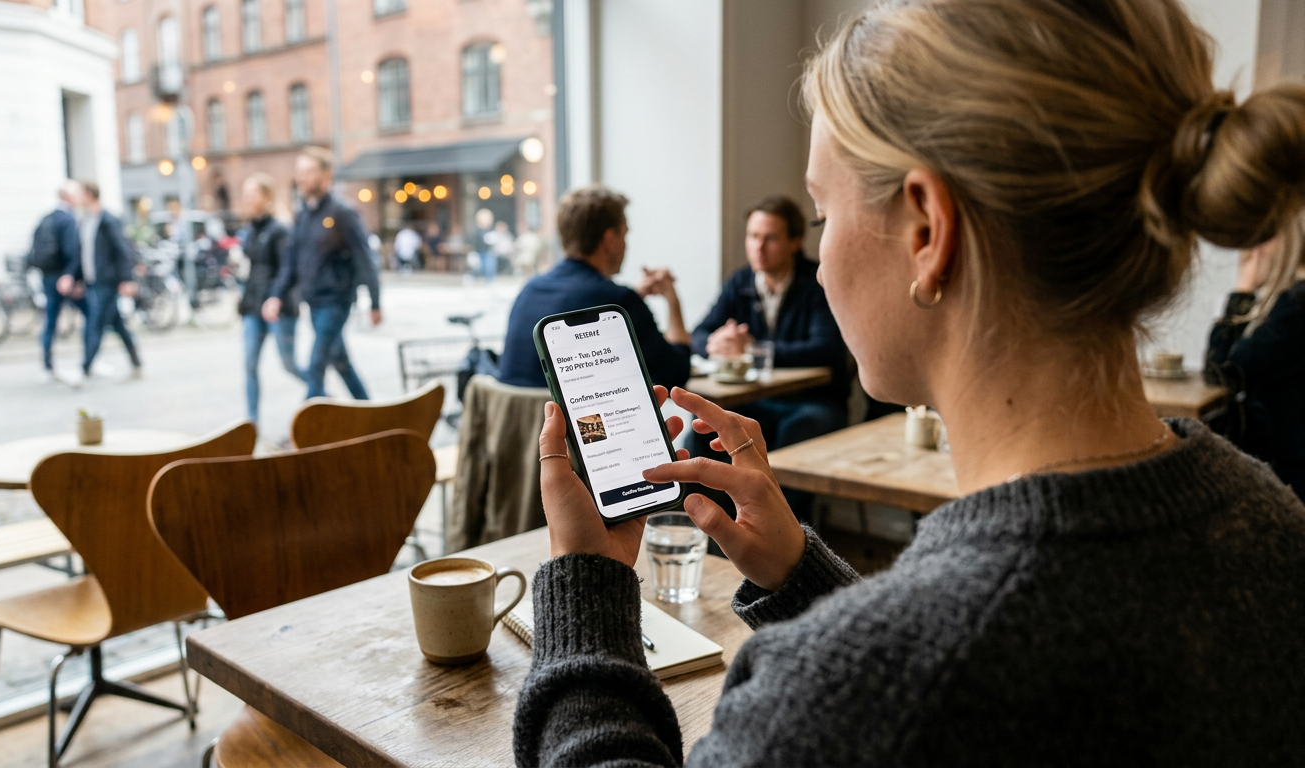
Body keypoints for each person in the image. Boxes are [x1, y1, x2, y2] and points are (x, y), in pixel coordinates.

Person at [514, 0, 1305, 765]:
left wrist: (588, 591)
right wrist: (800, 575)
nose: (821, 259)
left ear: (928, 228)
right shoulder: (1273, 523)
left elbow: (908, 687)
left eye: (823, 216)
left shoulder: (847, 692)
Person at [691, 195, 850, 446]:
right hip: (753, 398)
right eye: (753, 236)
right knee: (703, 428)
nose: (759, 247)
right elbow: (698, 334)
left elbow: (826, 349)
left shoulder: (818, 282)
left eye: (771, 238)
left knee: (802, 427)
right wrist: (718, 344)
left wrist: (752, 350)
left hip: (811, 399)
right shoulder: (740, 281)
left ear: (795, 242)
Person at [496, 185, 691, 389]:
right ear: (610, 240)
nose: (626, 245)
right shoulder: (618, 301)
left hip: (518, 410)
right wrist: (672, 298)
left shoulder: (530, 290)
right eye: (624, 234)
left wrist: (631, 301)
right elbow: (676, 374)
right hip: (581, 411)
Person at [263, 147, 382, 400]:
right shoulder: (303, 215)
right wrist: (276, 295)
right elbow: (291, 261)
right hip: (313, 301)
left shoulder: (342, 212)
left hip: (336, 301)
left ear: (326, 175)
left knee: (316, 364)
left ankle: (308, 418)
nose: (302, 178)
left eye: (308, 172)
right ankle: (370, 410)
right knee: (340, 361)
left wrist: (375, 302)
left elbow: (365, 258)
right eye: (300, 172)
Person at [1205, 230, 1305, 500]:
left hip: (1288, 476)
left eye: (1267, 235)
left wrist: (1242, 291)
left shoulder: (1296, 306)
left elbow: (1223, 371)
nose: (1254, 248)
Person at [238, 173, 305, 423]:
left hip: (279, 307)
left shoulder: (279, 230)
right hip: (253, 306)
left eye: (252, 195)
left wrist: (276, 297)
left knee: (289, 365)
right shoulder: (250, 230)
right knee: (249, 365)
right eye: (245, 195)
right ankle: (252, 422)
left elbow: (288, 269)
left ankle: (321, 392)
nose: (247, 200)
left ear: (267, 198)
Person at [58, 181, 140, 380]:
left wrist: (126, 279)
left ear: (89, 195)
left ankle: (84, 369)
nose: (77, 198)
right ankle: (137, 363)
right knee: (117, 325)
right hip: (93, 282)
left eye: (80, 193)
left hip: (108, 282)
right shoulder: (86, 221)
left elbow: (122, 250)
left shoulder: (107, 220)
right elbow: (82, 254)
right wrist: (75, 278)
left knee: (94, 324)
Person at [29, 182, 88, 379]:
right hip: (64, 277)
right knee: (90, 314)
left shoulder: (47, 217)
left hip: (47, 275)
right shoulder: (68, 219)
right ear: (68, 196)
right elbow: (73, 251)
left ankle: (47, 365)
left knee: (50, 319)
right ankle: (88, 360)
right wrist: (72, 276)